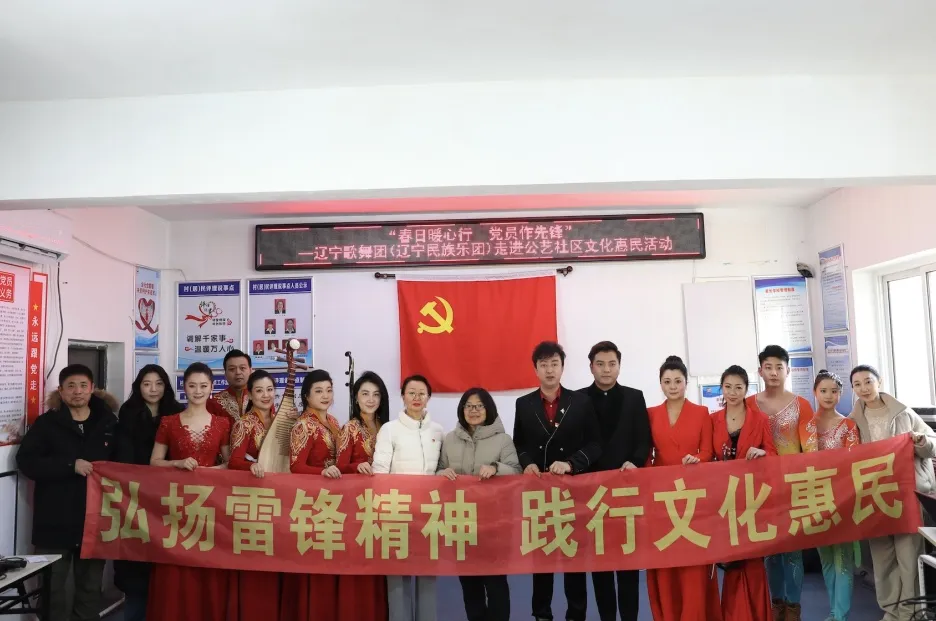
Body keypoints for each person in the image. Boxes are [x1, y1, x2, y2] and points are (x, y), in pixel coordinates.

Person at [16, 364, 119, 621]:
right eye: (71, 386)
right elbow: (27, 462)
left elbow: (123, 464)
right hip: (54, 521)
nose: (77, 391)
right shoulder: (47, 424)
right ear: (61, 391)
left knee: (90, 589)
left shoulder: (108, 423)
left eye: (83, 386)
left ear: (92, 389)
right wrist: (70, 465)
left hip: (95, 520)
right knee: (52, 589)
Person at [512, 341, 601, 621]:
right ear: (535, 369)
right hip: (539, 491)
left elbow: (595, 444)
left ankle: (576, 614)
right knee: (541, 557)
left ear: (562, 367)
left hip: (573, 489)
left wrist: (571, 464)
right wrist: (527, 463)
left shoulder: (580, 401)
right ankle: (541, 614)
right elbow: (519, 443)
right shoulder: (523, 404)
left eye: (554, 364)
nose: (549, 370)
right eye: (544, 365)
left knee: (574, 555)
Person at [849, 364, 936, 621]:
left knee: (908, 554)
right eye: (857, 384)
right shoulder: (851, 421)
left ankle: (910, 611)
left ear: (880, 381)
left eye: (868, 381)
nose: (864, 388)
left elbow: (932, 443)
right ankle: (891, 609)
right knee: (882, 556)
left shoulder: (903, 413)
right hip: (873, 494)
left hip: (907, 492)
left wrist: (921, 441)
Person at [148, 362, 232, 621]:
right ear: (184, 387)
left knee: (208, 560)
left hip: (210, 504)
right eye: (192, 385)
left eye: (203, 386)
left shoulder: (222, 423)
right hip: (177, 504)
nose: (198, 391)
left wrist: (211, 471)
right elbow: (154, 462)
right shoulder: (169, 422)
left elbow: (230, 463)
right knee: (176, 563)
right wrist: (177, 463)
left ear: (211, 388)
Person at [646, 355, 722, 621]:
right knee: (666, 557)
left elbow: (708, 451)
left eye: (677, 381)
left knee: (693, 559)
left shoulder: (701, 412)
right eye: (667, 381)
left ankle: (695, 613)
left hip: (692, 495)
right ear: (660, 384)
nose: (673, 386)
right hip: (661, 497)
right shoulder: (651, 414)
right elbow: (647, 455)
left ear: (686, 383)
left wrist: (697, 459)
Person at [578, 341, 649, 621]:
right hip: (592, 493)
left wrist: (635, 461)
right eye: (600, 364)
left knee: (628, 564)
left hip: (626, 492)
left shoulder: (634, 397)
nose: (606, 369)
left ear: (619, 366)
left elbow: (643, 439)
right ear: (591, 367)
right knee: (601, 565)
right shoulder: (579, 399)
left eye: (612, 364)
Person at [746, 345, 815, 621]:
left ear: (788, 370)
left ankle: (793, 608)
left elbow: (810, 450)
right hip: (759, 489)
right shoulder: (748, 404)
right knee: (770, 551)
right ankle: (776, 605)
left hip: (792, 487)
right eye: (768, 367)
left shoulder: (802, 405)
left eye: (779, 367)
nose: (773, 372)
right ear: (760, 371)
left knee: (793, 551)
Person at [438, 387, 520, 621]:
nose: (473, 411)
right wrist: (443, 473)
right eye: (469, 406)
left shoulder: (503, 439)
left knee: (496, 584)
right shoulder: (450, 439)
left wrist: (495, 468)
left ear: (488, 409)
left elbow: (516, 471)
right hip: (461, 523)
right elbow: (438, 470)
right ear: (462, 409)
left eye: (479, 406)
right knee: (469, 585)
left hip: (494, 524)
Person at [114, 364, 184, 621]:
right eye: (147, 383)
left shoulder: (177, 412)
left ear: (166, 386)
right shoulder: (128, 412)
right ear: (138, 386)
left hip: (169, 496)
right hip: (135, 495)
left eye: (158, 383)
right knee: (136, 561)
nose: (153, 389)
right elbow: (122, 456)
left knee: (166, 559)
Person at [373, 375, 444, 621]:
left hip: (428, 514)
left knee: (427, 577)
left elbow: (440, 470)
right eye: (411, 392)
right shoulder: (389, 429)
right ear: (403, 396)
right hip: (397, 512)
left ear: (429, 397)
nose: (416, 397)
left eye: (421, 393)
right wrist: (381, 510)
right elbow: (379, 470)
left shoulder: (438, 431)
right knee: (397, 579)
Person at [711, 365, 775, 621]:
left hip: (752, 497)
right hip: (724, 498)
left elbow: (773, 454)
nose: (733, 392)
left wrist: (763, 453)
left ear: (747, 389)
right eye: (728, 387)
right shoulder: (712, 419)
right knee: (731, 560)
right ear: (721, 388)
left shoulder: (760, 419)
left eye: (739, 387)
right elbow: (706, 455)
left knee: (753, 559)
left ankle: (758, 615)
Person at [283, 369, 342, 621]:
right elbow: (296, 466)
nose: (325, 395)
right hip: (312, 502)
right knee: (315, 558)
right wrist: (323, 471)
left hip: (333, 501)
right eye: (318, 391)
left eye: (329, 390)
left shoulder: (334, 422)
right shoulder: (303, 425)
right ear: (306, 396)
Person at [228, 369, 283, 621]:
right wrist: (251, 466)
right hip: (255, 499)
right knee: (258, 557)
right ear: (250, 394)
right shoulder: (245, 423)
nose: (266, 395)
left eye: (270, 390)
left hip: (281, 498)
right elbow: (234, 461)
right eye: (259, 391)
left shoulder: (283, 421)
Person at [336, 371, 391, 621]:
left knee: (381, 559)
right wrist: (356, 466)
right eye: (365, 394)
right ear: (356, 398)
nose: (371, 399)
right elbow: (340, 466)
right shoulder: (350, 427)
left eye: (376, 395)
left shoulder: (387, 427)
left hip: (383, 503)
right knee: (360, 557)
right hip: (357, 505)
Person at [809, 370, 859, 621]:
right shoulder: (806, 426)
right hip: (814, 497)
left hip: (841, 497)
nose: (829, 396)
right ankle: (833, 611)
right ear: (815, 393)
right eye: (824, 391)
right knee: (826, 558)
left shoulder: (849, 425)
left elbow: (854, 462)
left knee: (842, 557)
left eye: (834, 391)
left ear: (841, 394)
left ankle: (840, 614)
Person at [207, 349, 251, 420]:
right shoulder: (214, 403)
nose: (238, 372)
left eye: (242, 368)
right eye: (232, 369)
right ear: (225, 373)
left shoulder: (260, 399)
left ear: (250, 371)